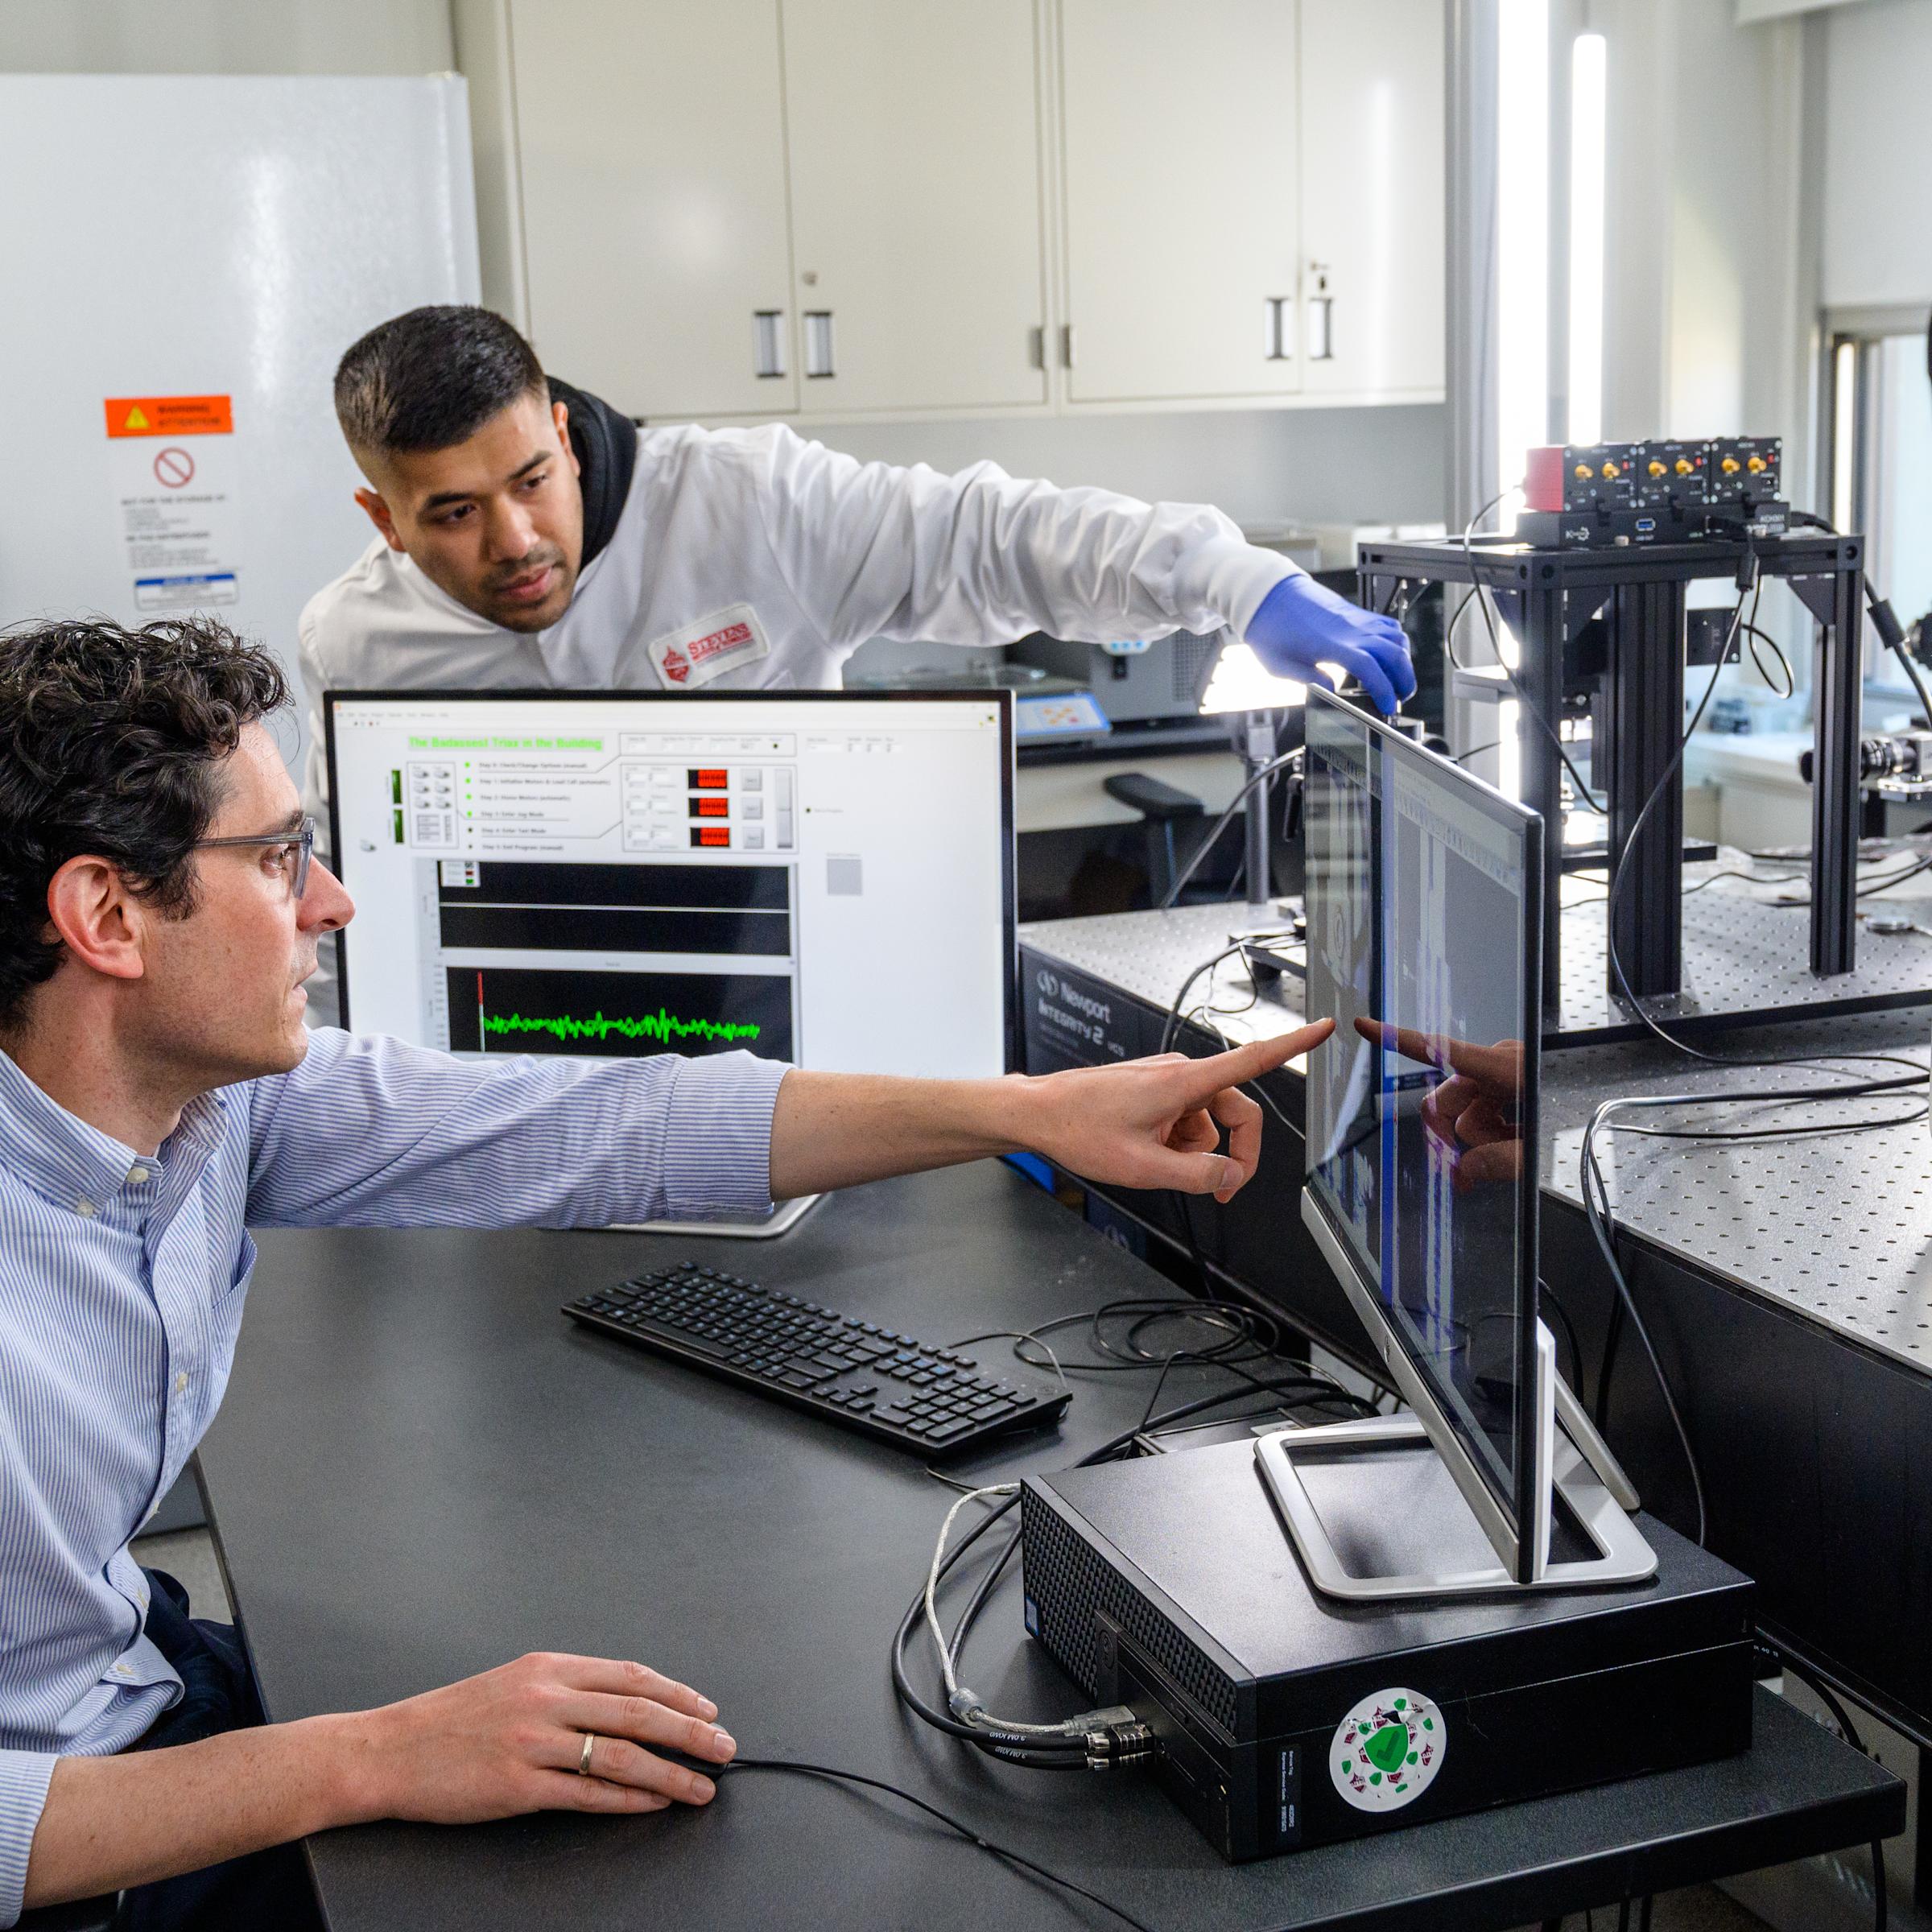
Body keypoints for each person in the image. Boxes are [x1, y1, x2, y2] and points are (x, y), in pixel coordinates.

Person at [0, 615, 1331, 1928]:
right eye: (284, 859)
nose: (332, 903)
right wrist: (371, 1755)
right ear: (108, 914)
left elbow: (606, 1125)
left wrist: (1024, 1111)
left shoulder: (207, 1111)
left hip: (136, 1680)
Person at [297, 305, 1416, 1022]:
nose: (516, 541)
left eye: (534, 479)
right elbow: (344, 903)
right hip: (527, 1041)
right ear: (382, 517)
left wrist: (1235, 580)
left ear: (554, 422)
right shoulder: (356, 642)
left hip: (786, 1011)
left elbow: (991, 534)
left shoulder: (746, 504)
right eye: (452, 512)